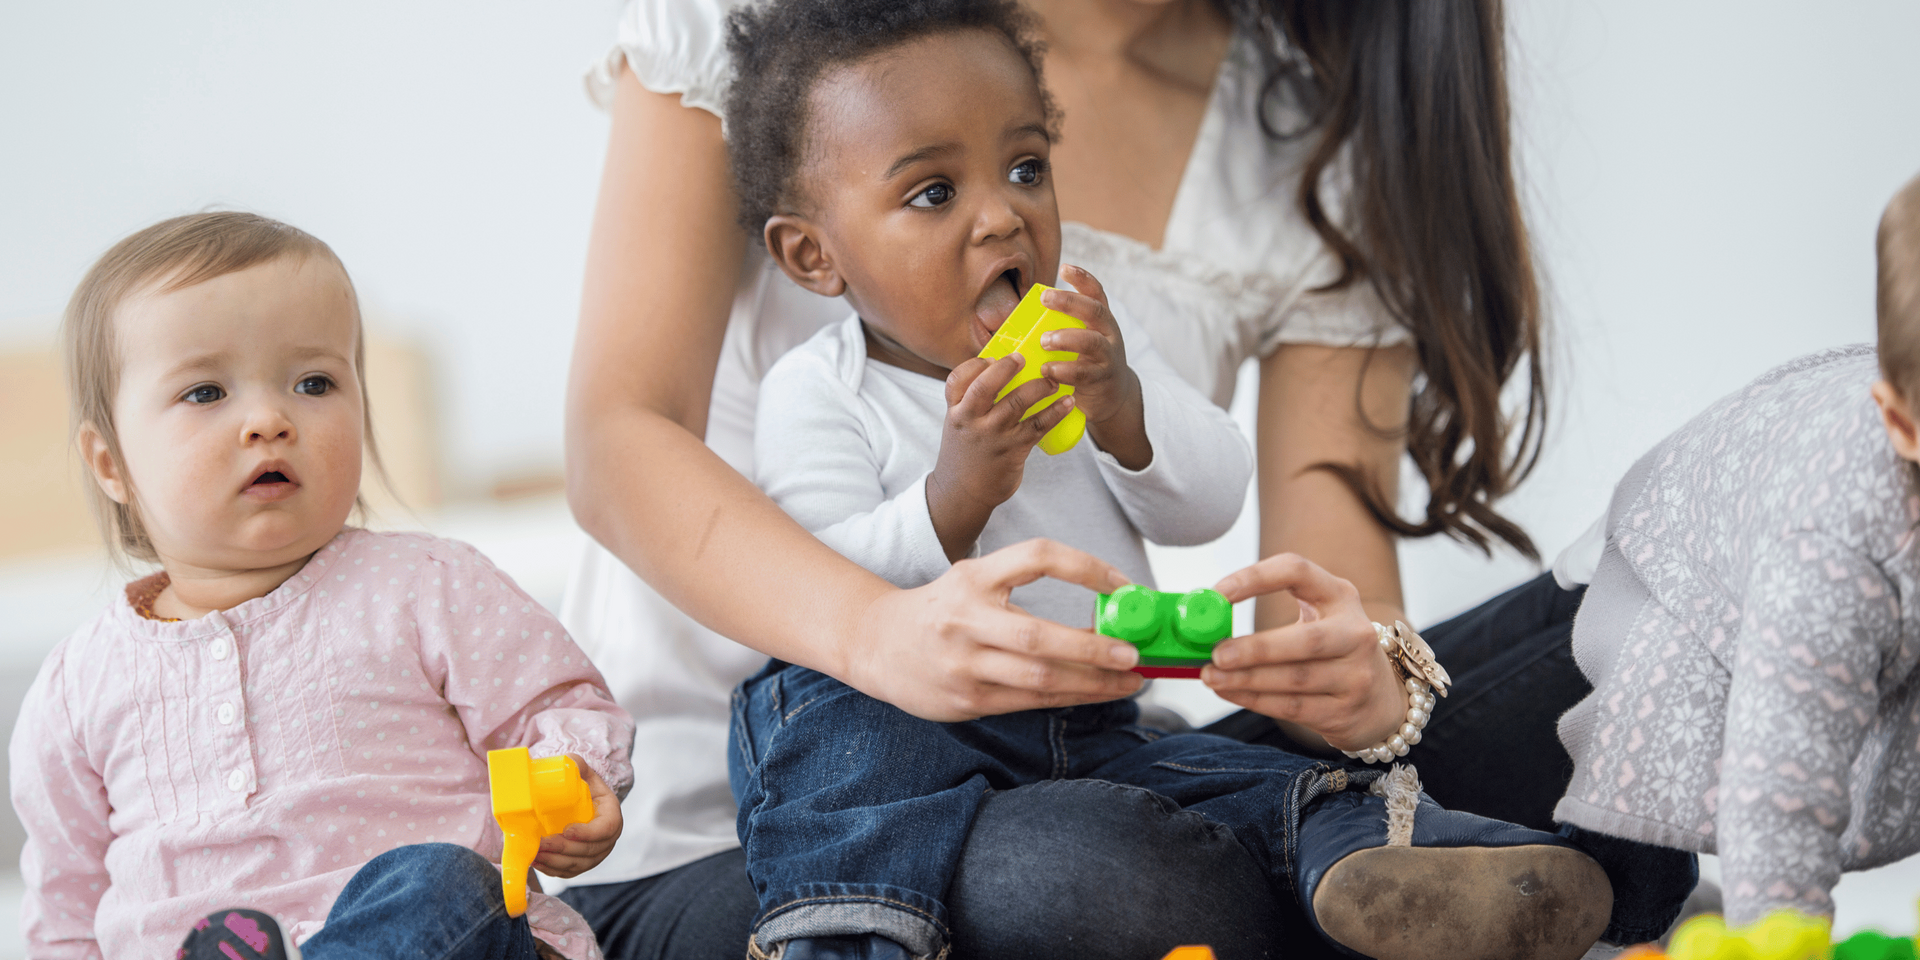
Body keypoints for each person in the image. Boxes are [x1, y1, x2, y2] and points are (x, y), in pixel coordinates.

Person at [559, 0, 1580, 955]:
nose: (1001, 220)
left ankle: (1377, 855)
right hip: (760, 808)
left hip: (1093, 738)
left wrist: (1366, 684)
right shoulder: (824, 364)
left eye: (1029, 172)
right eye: (933, 193)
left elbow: (1270, 555)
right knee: (1078, 867)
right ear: (812, 255)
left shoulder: (1295, 144)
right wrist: (932, 536)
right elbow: (621, 445)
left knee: (1594, 639)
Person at [10, 212, 634, 959]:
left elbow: (555, 706)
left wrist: (575, 780)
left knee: (443, 883)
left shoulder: (425, 586)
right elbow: (65, 910)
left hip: (440, 938)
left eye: (314, 382)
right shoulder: (76, 688)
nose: (269, 419)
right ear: (110, 463)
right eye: (207, 393)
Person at [1548, 173, 1920, 943]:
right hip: (1700, 570)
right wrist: (1786, 941)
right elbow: (1782, 789)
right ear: (1905, 426)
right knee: (1640, 865)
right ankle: (1558, 900)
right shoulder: (1835, 548)